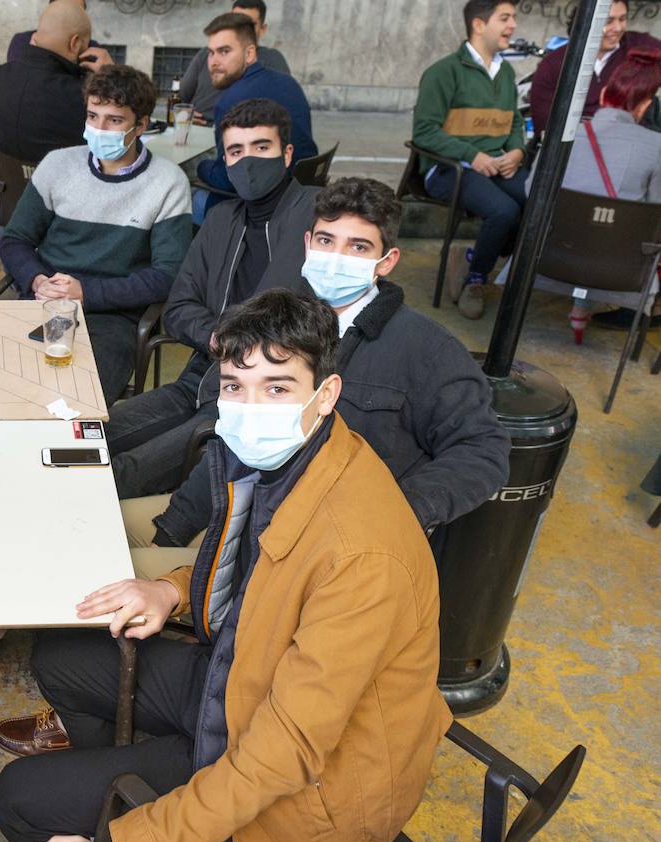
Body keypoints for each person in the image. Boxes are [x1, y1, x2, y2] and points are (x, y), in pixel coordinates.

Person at [0, 288, 451, 842]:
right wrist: (172, 587)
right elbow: (254, 571)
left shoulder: (361, 555)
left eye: (278, 387)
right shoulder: (292, 458)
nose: (250, 406)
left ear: (327, 394)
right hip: (242, 681)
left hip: (304, 787)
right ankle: (124, 820)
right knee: (64, 656)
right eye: (235, 385)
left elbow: (284, 753)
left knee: (18, 796)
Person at [128, 178, 510, 576]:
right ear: (308, 243)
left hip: (304, 555)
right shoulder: (274, 320)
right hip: (230, 509)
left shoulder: (427, 350)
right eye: (327, 241)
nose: (336, 258)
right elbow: (230, 439)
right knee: (99, 525)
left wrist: (393, 514)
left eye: (358, 247)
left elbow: (482, 449)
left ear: (387, 261)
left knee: (107, 580)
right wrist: (175, 525)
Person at [109, 100, 317, 502]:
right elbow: (179, 307)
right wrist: (217, 336)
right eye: (236, 152)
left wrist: (250, 350)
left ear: (287, 155)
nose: (248, 162)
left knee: (123, 473)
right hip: (199, 378)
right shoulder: (221, 220)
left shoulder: (318, 218)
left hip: (249, 402)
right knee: (87, 438)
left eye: (262, 148)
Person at [0, 64, 192, 405]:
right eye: (92, 116)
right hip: (44, 301)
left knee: (74, 401)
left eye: (114, 120)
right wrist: (37, 280)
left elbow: (168, 275)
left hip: (112, 316)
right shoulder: (57, 165)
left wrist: (88, 292)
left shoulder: (167, 182)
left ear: (141, 125)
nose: (99, 129)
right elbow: (15, 240)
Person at [413, 0, 527, 320]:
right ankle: (475, 279)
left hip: (495, 166)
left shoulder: (505, 72)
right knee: (504, 211)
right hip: (449, 169)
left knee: (537, 199)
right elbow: (424, 132)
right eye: (505, 18)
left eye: (513, 18)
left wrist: (517, 151)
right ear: (479, 25)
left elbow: (514, 121)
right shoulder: (443, 72)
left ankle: (476, 257)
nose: (513, 25)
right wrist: (471, 156)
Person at [544, 50, 661, 342]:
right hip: (619, 272)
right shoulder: (656, 146)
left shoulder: (563, 134)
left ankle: (579, 305)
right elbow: (654, 215)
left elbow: (531, 191)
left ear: (606, 92)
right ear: (646, 105)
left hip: (548, 258)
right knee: (616, 225)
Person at [195, 12, 315, 207]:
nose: (214, 62)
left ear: (249, 54)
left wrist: (200, 167)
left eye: (224, 51)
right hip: (301, 194)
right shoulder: (289, 82)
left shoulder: (229, 102)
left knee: (189, 196)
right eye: (210, 52)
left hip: (262, 206)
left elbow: (227, 178)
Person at [0, 0, 114, 165]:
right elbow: (126, 136)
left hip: (9, 188)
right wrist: (113, 76)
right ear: (75, 43)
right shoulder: (84, 99)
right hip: (65, 188)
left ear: (35, 36)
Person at [529, 1, 661, 137]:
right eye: (608, 21)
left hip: (633, 144)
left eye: (622, 19)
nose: (618, 28)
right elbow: (544, 126)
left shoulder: (641, 46)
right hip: (574, 148)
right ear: (585, 22)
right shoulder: (553, 64)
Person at [178, 0, 291, 123]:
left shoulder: (272, 59)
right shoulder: (205, 54)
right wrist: (184, 113)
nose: (237, 28)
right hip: (196, 127)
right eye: (233, 21)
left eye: (248, 25)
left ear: (262, 29)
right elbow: (181, 97)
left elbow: (282, 110)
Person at [5, 0, 102, 64]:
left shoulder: (93, 50)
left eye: (78, 11)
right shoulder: (22, 41)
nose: (71, 15)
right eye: (64, 9)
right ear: (50, 10)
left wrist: (110, 72)